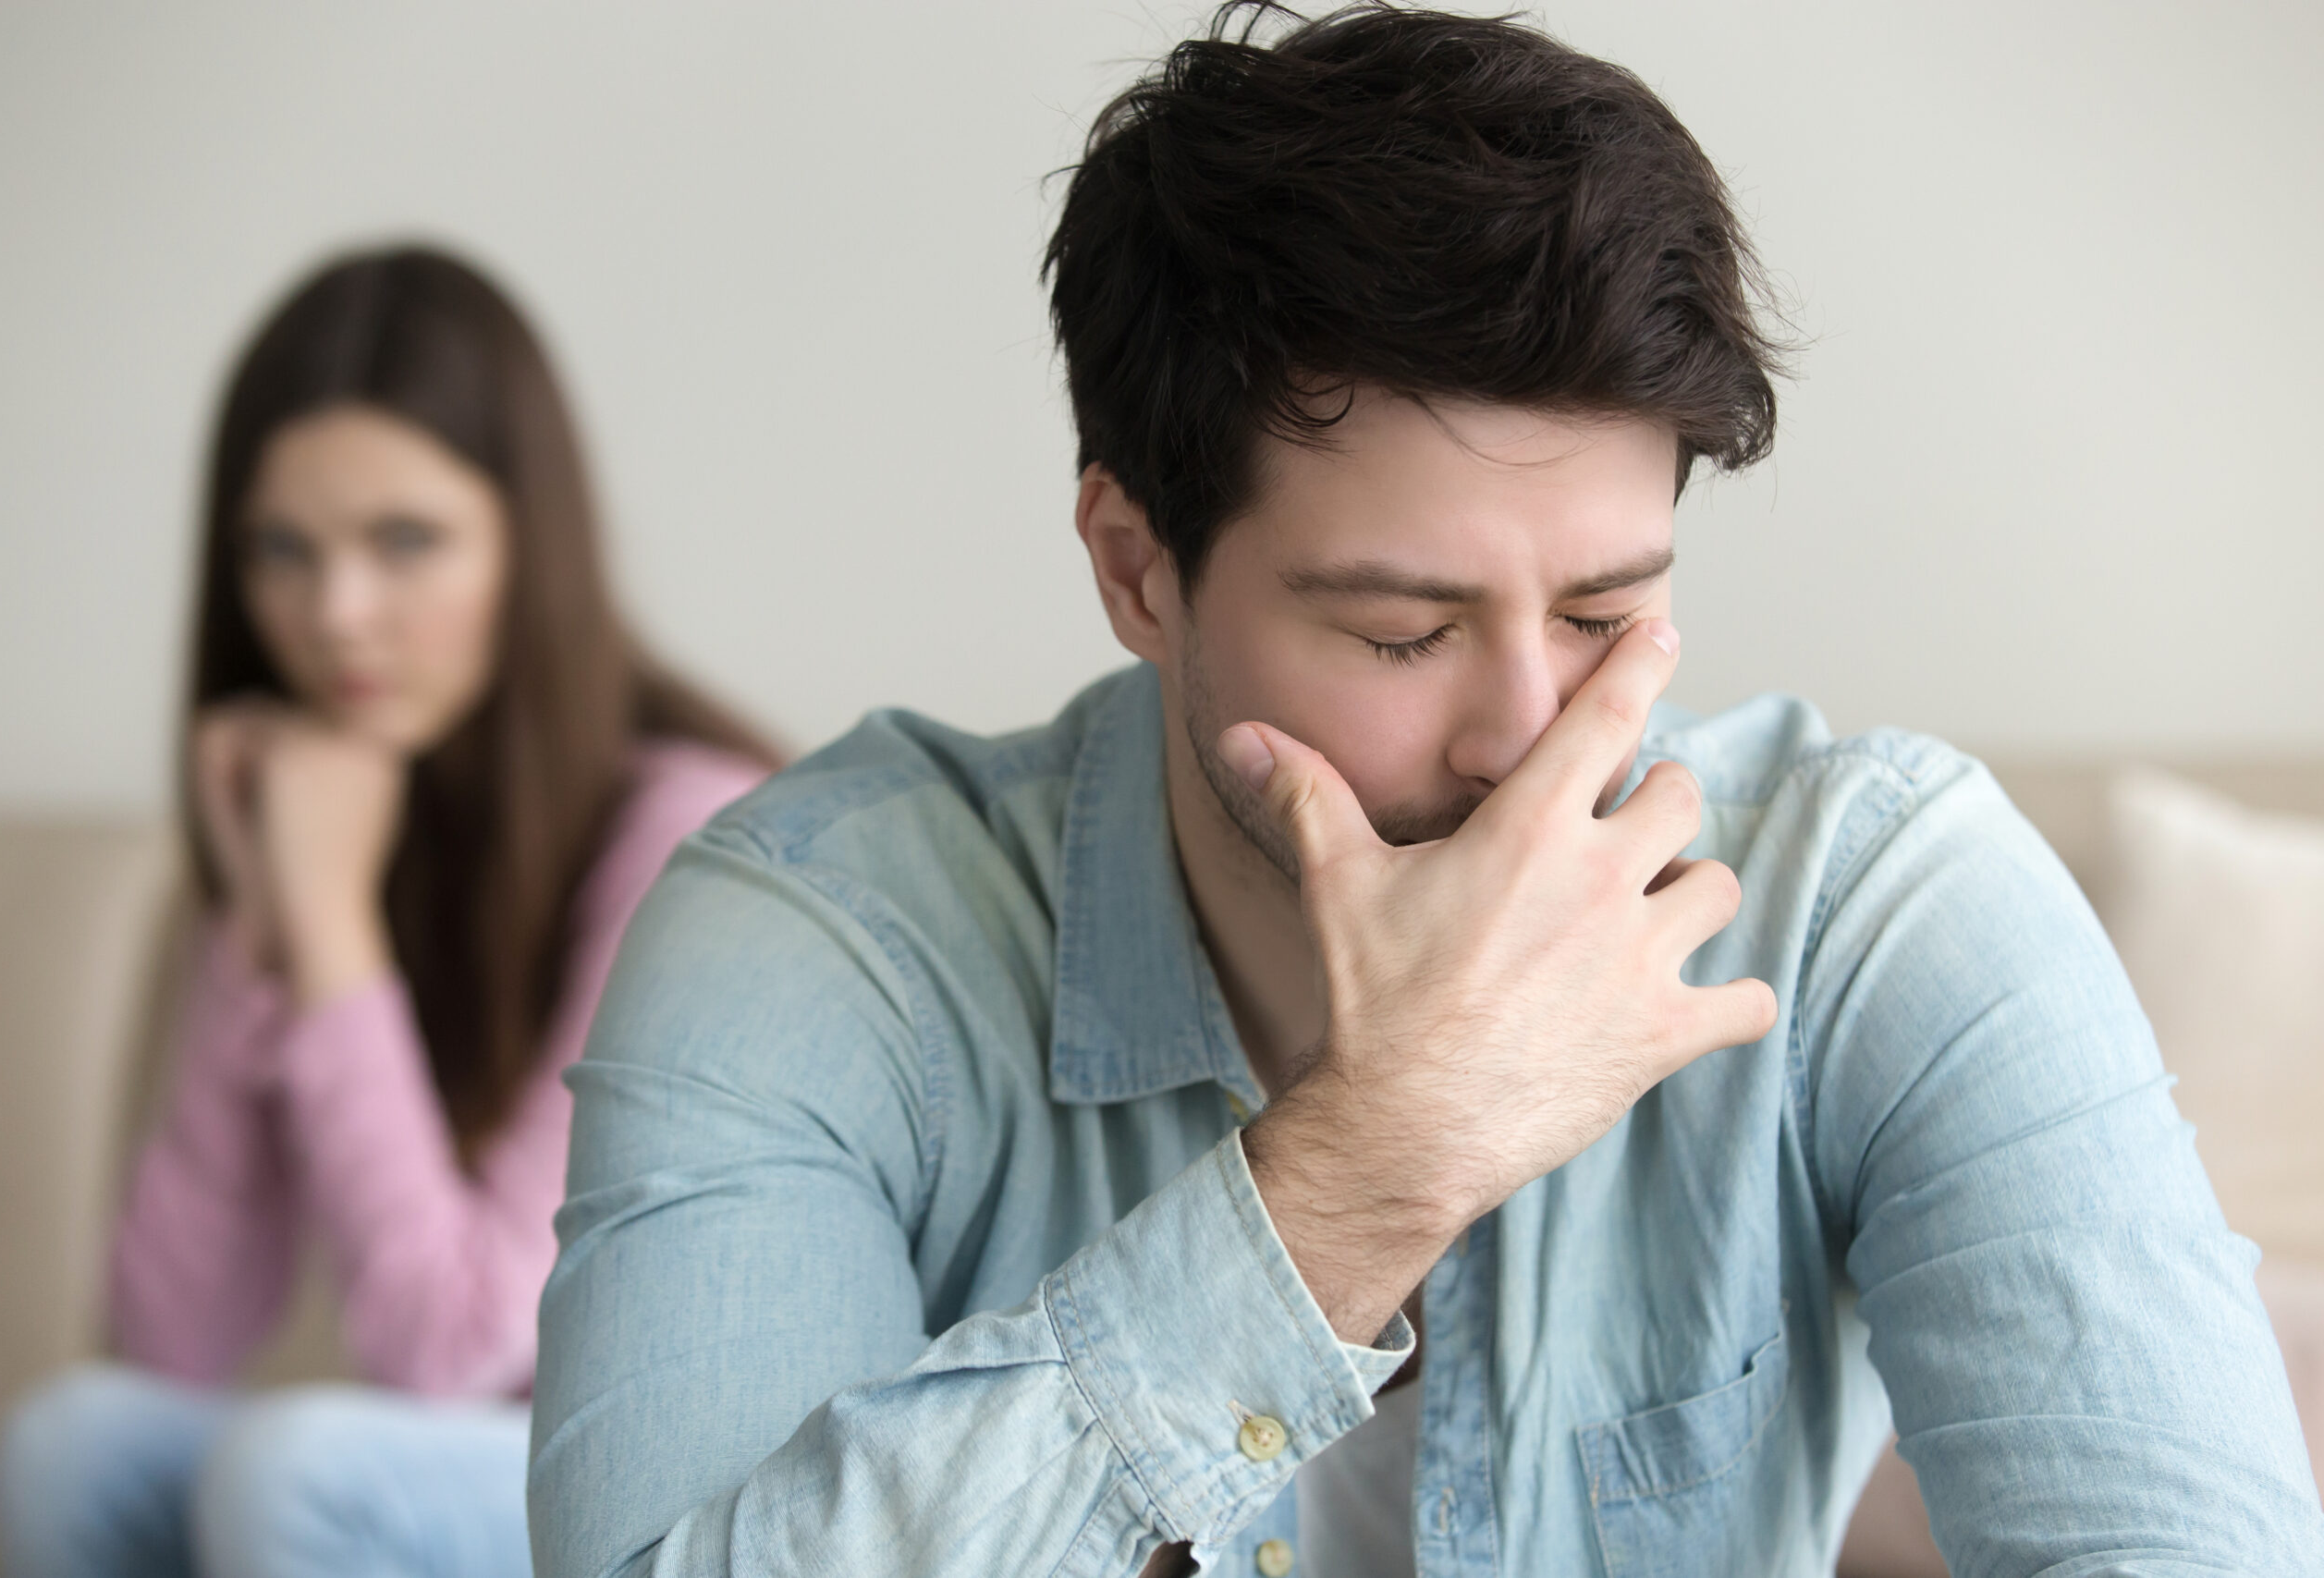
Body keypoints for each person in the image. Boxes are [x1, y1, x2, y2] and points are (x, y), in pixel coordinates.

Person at [529, 7, 2324, 1576]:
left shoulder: (1867, 903)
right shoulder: (821, 936)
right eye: (1402, 630)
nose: (1529, 731)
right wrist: (1361, 1171)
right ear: (1136, 566)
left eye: (1606, 613)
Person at [0, 246, 777, 1578]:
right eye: (282, 551)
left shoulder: (689, 832)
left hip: (736, 1488)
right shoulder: (350, 815)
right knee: (72, 1439)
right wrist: (265, 925)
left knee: (299, 1476)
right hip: (503, 1470)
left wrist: (330, 925)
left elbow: (456, 1343)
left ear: (530, 542)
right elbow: (171, 1340)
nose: (335, 615)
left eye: (404, 541)